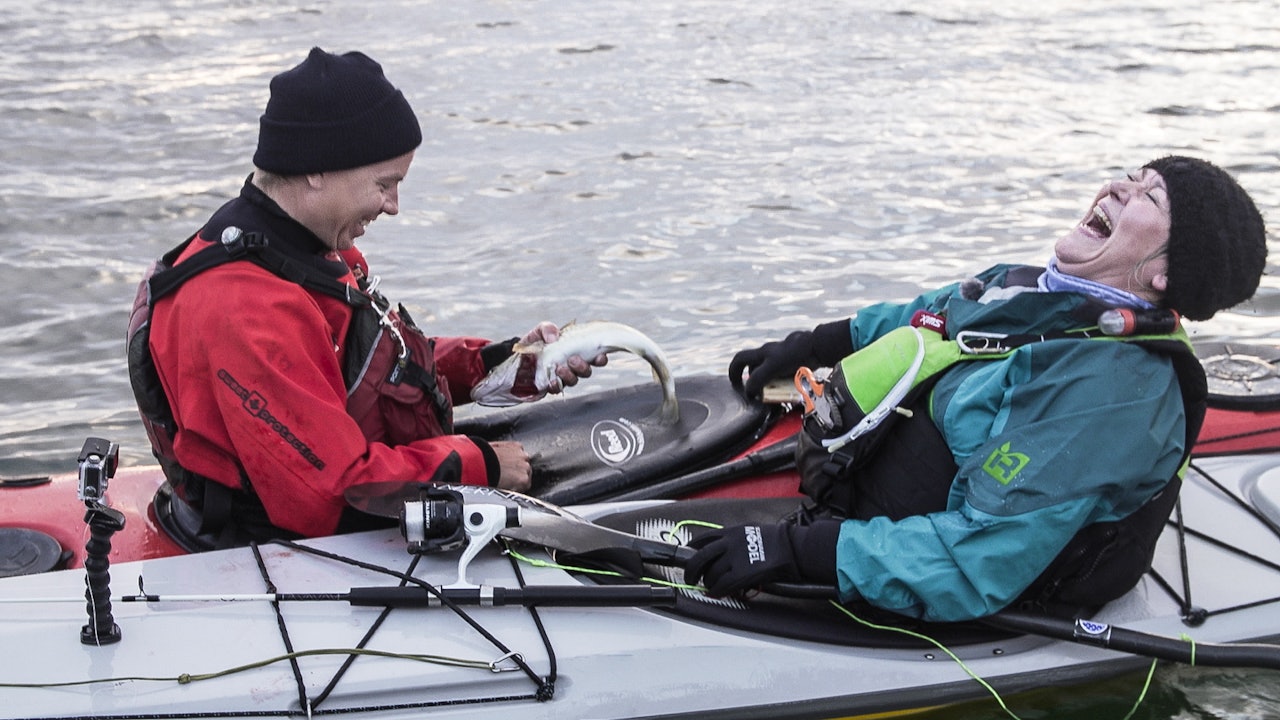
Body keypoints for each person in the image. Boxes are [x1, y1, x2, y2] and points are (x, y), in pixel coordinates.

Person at [686, 156, 1268, 622]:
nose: (1119, 186)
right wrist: (819, 343)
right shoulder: (1040, 290)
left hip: (937, 570)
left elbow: (982, 557)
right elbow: (933, 319)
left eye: (1149, 196)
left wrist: (799, 553)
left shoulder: (1116, 390)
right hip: (866, 511)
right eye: (1132, 175)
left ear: (1166, 273)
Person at [129, 47, 603, 546]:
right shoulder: (245, 307)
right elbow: (329, 494)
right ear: (316, 168)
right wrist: (480, 464)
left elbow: (375, 360)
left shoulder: (305, 245)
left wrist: (506, 362)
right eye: (385, 184)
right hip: (262, 542)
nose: (393, 206)